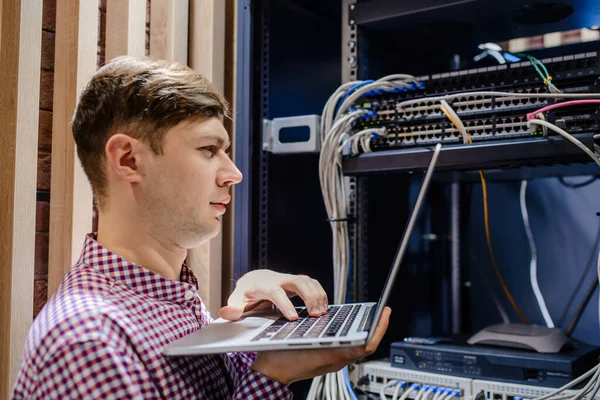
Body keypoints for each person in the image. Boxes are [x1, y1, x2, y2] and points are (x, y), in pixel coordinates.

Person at [12, 56, 391, 399]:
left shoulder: (164, 300)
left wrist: (252, 326)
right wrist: (272, 375)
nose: (234, 173)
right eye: (209, 150)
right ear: (128, 159)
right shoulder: (89, 342)